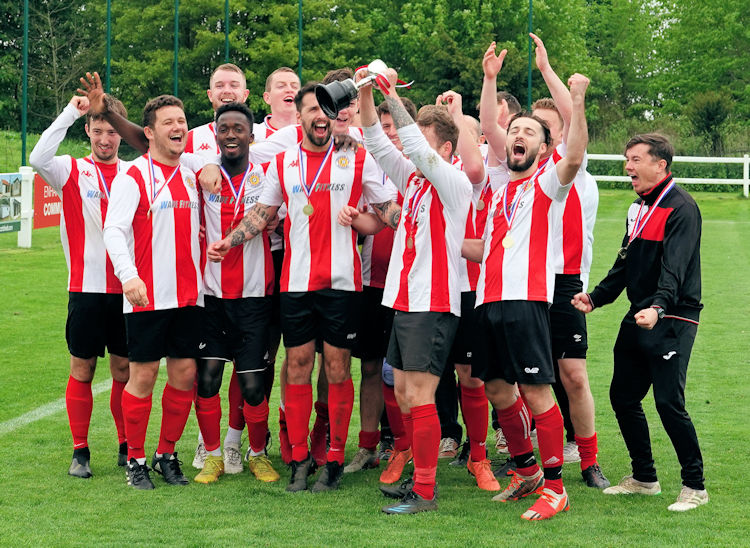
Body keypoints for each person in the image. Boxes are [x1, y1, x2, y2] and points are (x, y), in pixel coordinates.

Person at [207, 82, 398, 494]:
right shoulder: (283, 162)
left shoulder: (356, 157)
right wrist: (231, 238)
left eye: (324, 110)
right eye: (310, 109)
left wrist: (417, 215)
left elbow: (388, 211)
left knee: (336, 370)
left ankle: (330, 459)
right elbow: (262, 213)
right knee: (296, 367)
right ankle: (297, 458)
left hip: (344, 286)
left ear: (332, 116)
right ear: (300, 116)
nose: (318, 117)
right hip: (295, 286)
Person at [465, 42, 590, 521]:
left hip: (525, 302)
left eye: (527, 132)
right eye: (513, 130)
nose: (516, 136)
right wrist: (490, 79)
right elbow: (489, 125)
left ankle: (556, 488)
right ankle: (526, 472)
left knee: (538, 392)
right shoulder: (499, 192)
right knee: (498, 390)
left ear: (541, 148)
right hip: (487, 302)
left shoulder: (546, 183)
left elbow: (575, 154)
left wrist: (574, 102)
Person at [357, 67, 473, 514]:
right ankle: (418, 478)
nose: (410, 148)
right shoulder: (415, 181)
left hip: (434, 300)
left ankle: (425, 490)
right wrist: (367, 91)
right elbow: (375, 138)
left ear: (444, 148)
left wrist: (392, 95)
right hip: (403, 299)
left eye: (423, 141)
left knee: (420, 396)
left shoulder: (453, 181)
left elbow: (412, 148)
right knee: (404, 393)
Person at [572, 133, 708, 512]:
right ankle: (644, 478)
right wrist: (596, 297)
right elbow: (625, 263)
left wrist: (659, 307)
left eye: (635, 159)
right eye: (627, 159)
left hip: (673, 316)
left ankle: (695, 486)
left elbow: (675, 268)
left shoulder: (682, 208)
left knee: (668, 401)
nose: (627, 167)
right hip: (639, 314)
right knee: (623, 396)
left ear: (660, 165)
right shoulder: (638, 208)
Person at [102, 95, 207, 490]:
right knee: (142, 375)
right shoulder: (133, 175)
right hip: (146, 295)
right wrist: (128, 276)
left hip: (188, 296)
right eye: (168, 123)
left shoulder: (193, 170)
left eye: (181, 121)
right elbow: (114, 230)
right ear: (149, 132)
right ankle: (135, 460)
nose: (178, 128)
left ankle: (167, 454)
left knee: (184, 374)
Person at [29, 94, 131, 478]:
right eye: (99, 131)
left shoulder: (133, 175)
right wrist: (73, 111)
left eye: (112, 132)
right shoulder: (70, 170)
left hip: (126, 289)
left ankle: (126, 445)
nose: (106, 139)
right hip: (85, 291)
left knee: (124, 372)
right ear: (88, 131)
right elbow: (38, 157)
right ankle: (81, 451)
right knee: (83, 369)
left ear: (121, 134)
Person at [528, 32, 608, 488]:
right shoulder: (523, 174)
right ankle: (538, 460)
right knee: (530, 378)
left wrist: (548, 72)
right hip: (527, 281)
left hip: (565, 282)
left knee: (573, 375)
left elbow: (572, 119)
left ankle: (589, 459)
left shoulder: (572, 168)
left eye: (550, 124)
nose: (541, 130)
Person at [191, 102, 281, 484]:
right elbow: (163, 152)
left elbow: (271, 217)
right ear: (215, 135)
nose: (231, 134)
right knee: (208, 378)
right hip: (211, 296)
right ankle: (212, 455)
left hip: (255, 297)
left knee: (253, 385)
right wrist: (203, 165)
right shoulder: (197, 173)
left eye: (238, 128)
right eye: (224, 128)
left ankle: (256, 453)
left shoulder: (268, 177)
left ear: (251, 135)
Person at [344, 97, 418, 476]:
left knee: (414, 373)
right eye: (382, 126)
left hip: (415, 285)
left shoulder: (421, 169)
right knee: (372, 368)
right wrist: (354, 217)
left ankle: (414, 447)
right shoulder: (369, 166)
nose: (387, 133)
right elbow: (370, 223)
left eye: (393, 127)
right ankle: (369, 446)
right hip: (374, 282)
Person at [254, 67, 301, 141]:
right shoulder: (253, 135)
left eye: (294, 87)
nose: (289, 90)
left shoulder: (312, 134)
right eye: (281, 86)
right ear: (267, 98)